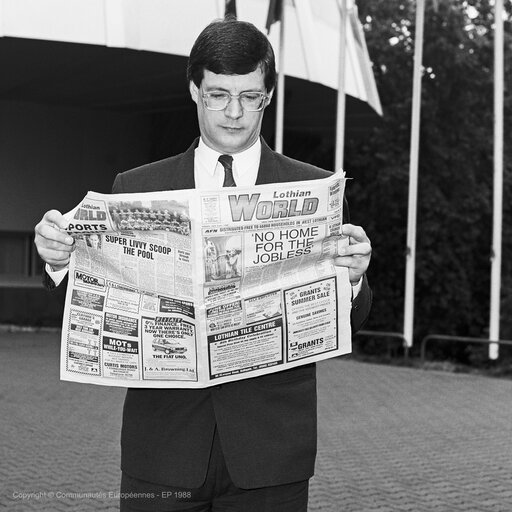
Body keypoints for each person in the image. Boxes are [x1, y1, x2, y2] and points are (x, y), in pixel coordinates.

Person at [34, 18, 372, 512]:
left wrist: (355, 278)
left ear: (268, 96)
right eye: (217, 95)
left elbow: (351, 322)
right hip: (163, 451)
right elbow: (89, 308)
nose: (234, 113)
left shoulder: (315, 191)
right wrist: (60, 263)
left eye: (249, 96)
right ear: (194, 90)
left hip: (271, 458)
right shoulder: (136, 188)